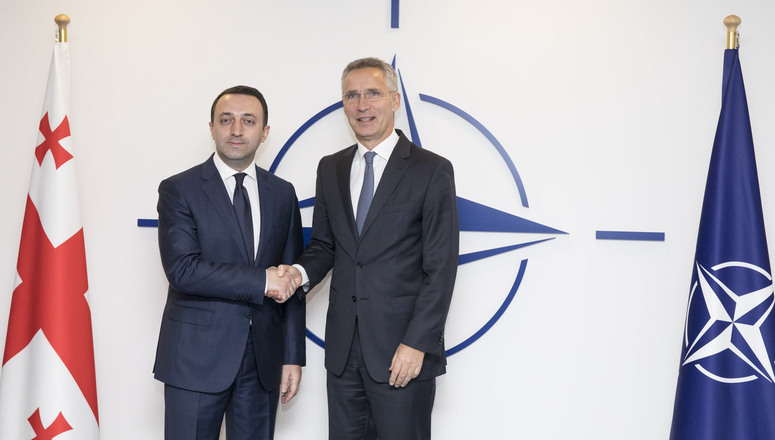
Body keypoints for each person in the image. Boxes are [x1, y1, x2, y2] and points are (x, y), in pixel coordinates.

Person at [278, 57, 459, 439]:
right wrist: (297, 273)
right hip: (343, 354)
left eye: (373, 93)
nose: (362, 105)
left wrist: (417, 343)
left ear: (395, 100)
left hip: (402, 352)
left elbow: (440, 268)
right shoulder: (330, 168)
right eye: (352, 95)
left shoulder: (431, 169)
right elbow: (324, 245)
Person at [154, 85, 305, 440]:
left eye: (248, 121)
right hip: (195, 360)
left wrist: (292, 355)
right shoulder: (179, 189)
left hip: (263, 364)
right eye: (226, 120)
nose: (236, 130)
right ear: (211, 128)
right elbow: (182, 270)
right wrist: (261, 281)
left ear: (264, 132)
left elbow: (291, 278)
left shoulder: (282, 193)